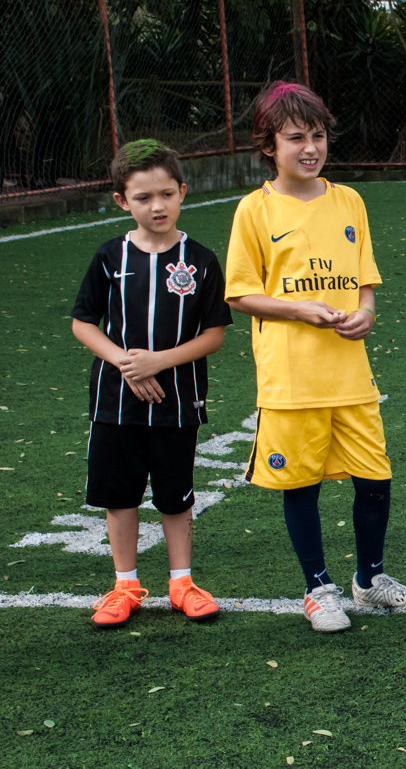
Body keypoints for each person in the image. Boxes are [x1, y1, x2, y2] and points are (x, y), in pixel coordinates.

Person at [224, 81, 406, 633]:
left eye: (317, 135)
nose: (310, 147)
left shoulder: (349, 201)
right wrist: (298, 310)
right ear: (269, 144)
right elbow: (240, 294)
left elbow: (365, 282)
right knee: (302, 484)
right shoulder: (254, 210)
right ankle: (318, 589)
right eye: (296, 137)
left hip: (351, 374)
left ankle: (371, 581)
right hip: (292, 378)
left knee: (375, 478)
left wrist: (366, 312)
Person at [72, 139, 231, 628]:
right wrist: (126, 363)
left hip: (176, 401)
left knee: (174, 494)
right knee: (120, 496)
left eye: (166, 194)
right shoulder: (108, 256)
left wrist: (159, 361)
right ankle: (125, 586)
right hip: (115, 401)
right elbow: (83, 322)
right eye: (143, 197)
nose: (157, 206)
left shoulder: (201, 260)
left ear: (183, 192)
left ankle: (182, 582)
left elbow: (214, 334)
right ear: (122, 201)